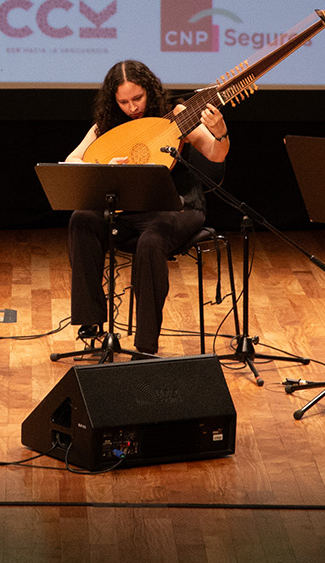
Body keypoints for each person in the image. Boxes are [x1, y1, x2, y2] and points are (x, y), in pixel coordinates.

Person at [65, 59, 228, 356]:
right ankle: (91, 326)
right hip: (131, 212)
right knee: (83, 219)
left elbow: (215, 155)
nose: (133, 107)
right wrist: (103, 165)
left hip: (179, 209)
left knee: (152, 240)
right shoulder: (107, 126)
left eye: (137, 98)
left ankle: (146, 345)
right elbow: (72, 162)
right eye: (124, 101)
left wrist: (220, 133)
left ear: (150, 91)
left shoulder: (176, 118)